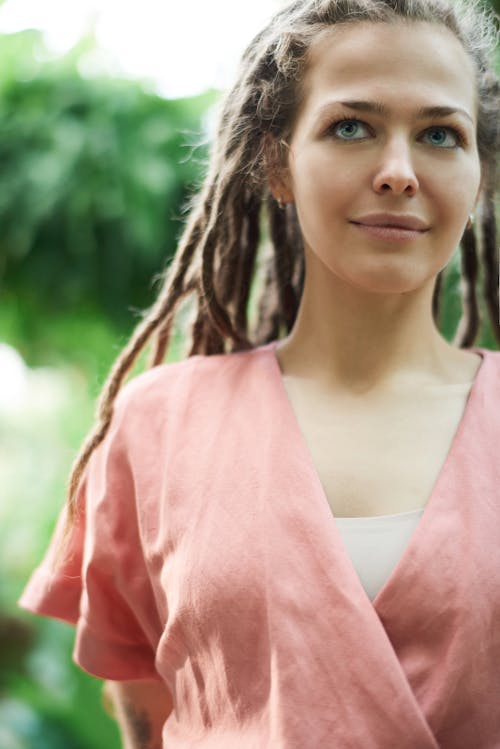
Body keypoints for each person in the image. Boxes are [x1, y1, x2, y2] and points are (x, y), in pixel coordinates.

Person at [19, 0, 500, 747]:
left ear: (480, 175)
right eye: (352, 126)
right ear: (277, 162)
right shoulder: (157, 424)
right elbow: (147, 704)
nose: (399, 172)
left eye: (440, 133)